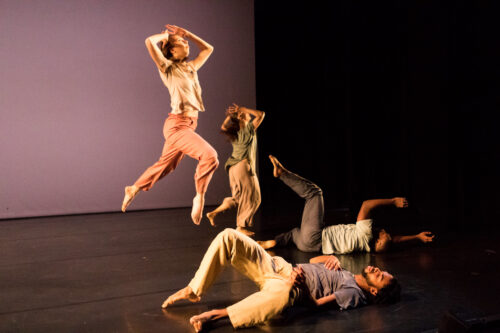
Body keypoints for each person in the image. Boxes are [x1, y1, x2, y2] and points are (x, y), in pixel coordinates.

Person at [162, 228, 400, 331]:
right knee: (229, 236)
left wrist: (298, 285)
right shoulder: (347, 272)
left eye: (380, 277)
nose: (377, 270)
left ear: (375, 292)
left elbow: (316, 305)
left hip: (290, 287)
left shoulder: (354, 293)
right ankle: (195, 288)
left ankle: (215, 315)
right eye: (381, 270)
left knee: (283, 295)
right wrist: (329, 257)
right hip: (279, 267)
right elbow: (314, 261)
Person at [121, 24, 218, 225]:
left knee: (166, 165)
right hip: (177, 126)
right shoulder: (168, 68)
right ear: (172, 50)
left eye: (186, 42)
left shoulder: (190, 67)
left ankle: (134, 187)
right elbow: (149, 41)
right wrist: (164, 36)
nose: (186, 44)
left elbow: (208, 49)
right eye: (182, 43)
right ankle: (199, 196)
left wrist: (188, 34)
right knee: (210, 156)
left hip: (189, 125)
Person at [257, 156, 435, 254]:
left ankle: (282, 174)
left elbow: (366, 206)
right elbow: (396, 241)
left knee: (315, 194)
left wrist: (393, 201)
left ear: (378, 240)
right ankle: (275, 241)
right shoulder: (367, 246)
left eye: (385, 235)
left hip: (316, 238)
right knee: (295, 233)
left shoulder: (364, 234)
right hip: (309, 246)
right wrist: (417, 237)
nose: (387, 232)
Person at [206, 104, 265, 236]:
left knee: (238, 198)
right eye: (246, 114)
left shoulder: (236, 131)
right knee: (255, 198)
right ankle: (241, 226)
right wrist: (243, 110)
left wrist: (229, 116)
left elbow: (223, 127)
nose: (249, 115)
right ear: (241, 117)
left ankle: (213, 213)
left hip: (233, 168)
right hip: (243, 166)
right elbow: (261, 114)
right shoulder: (248, 128)